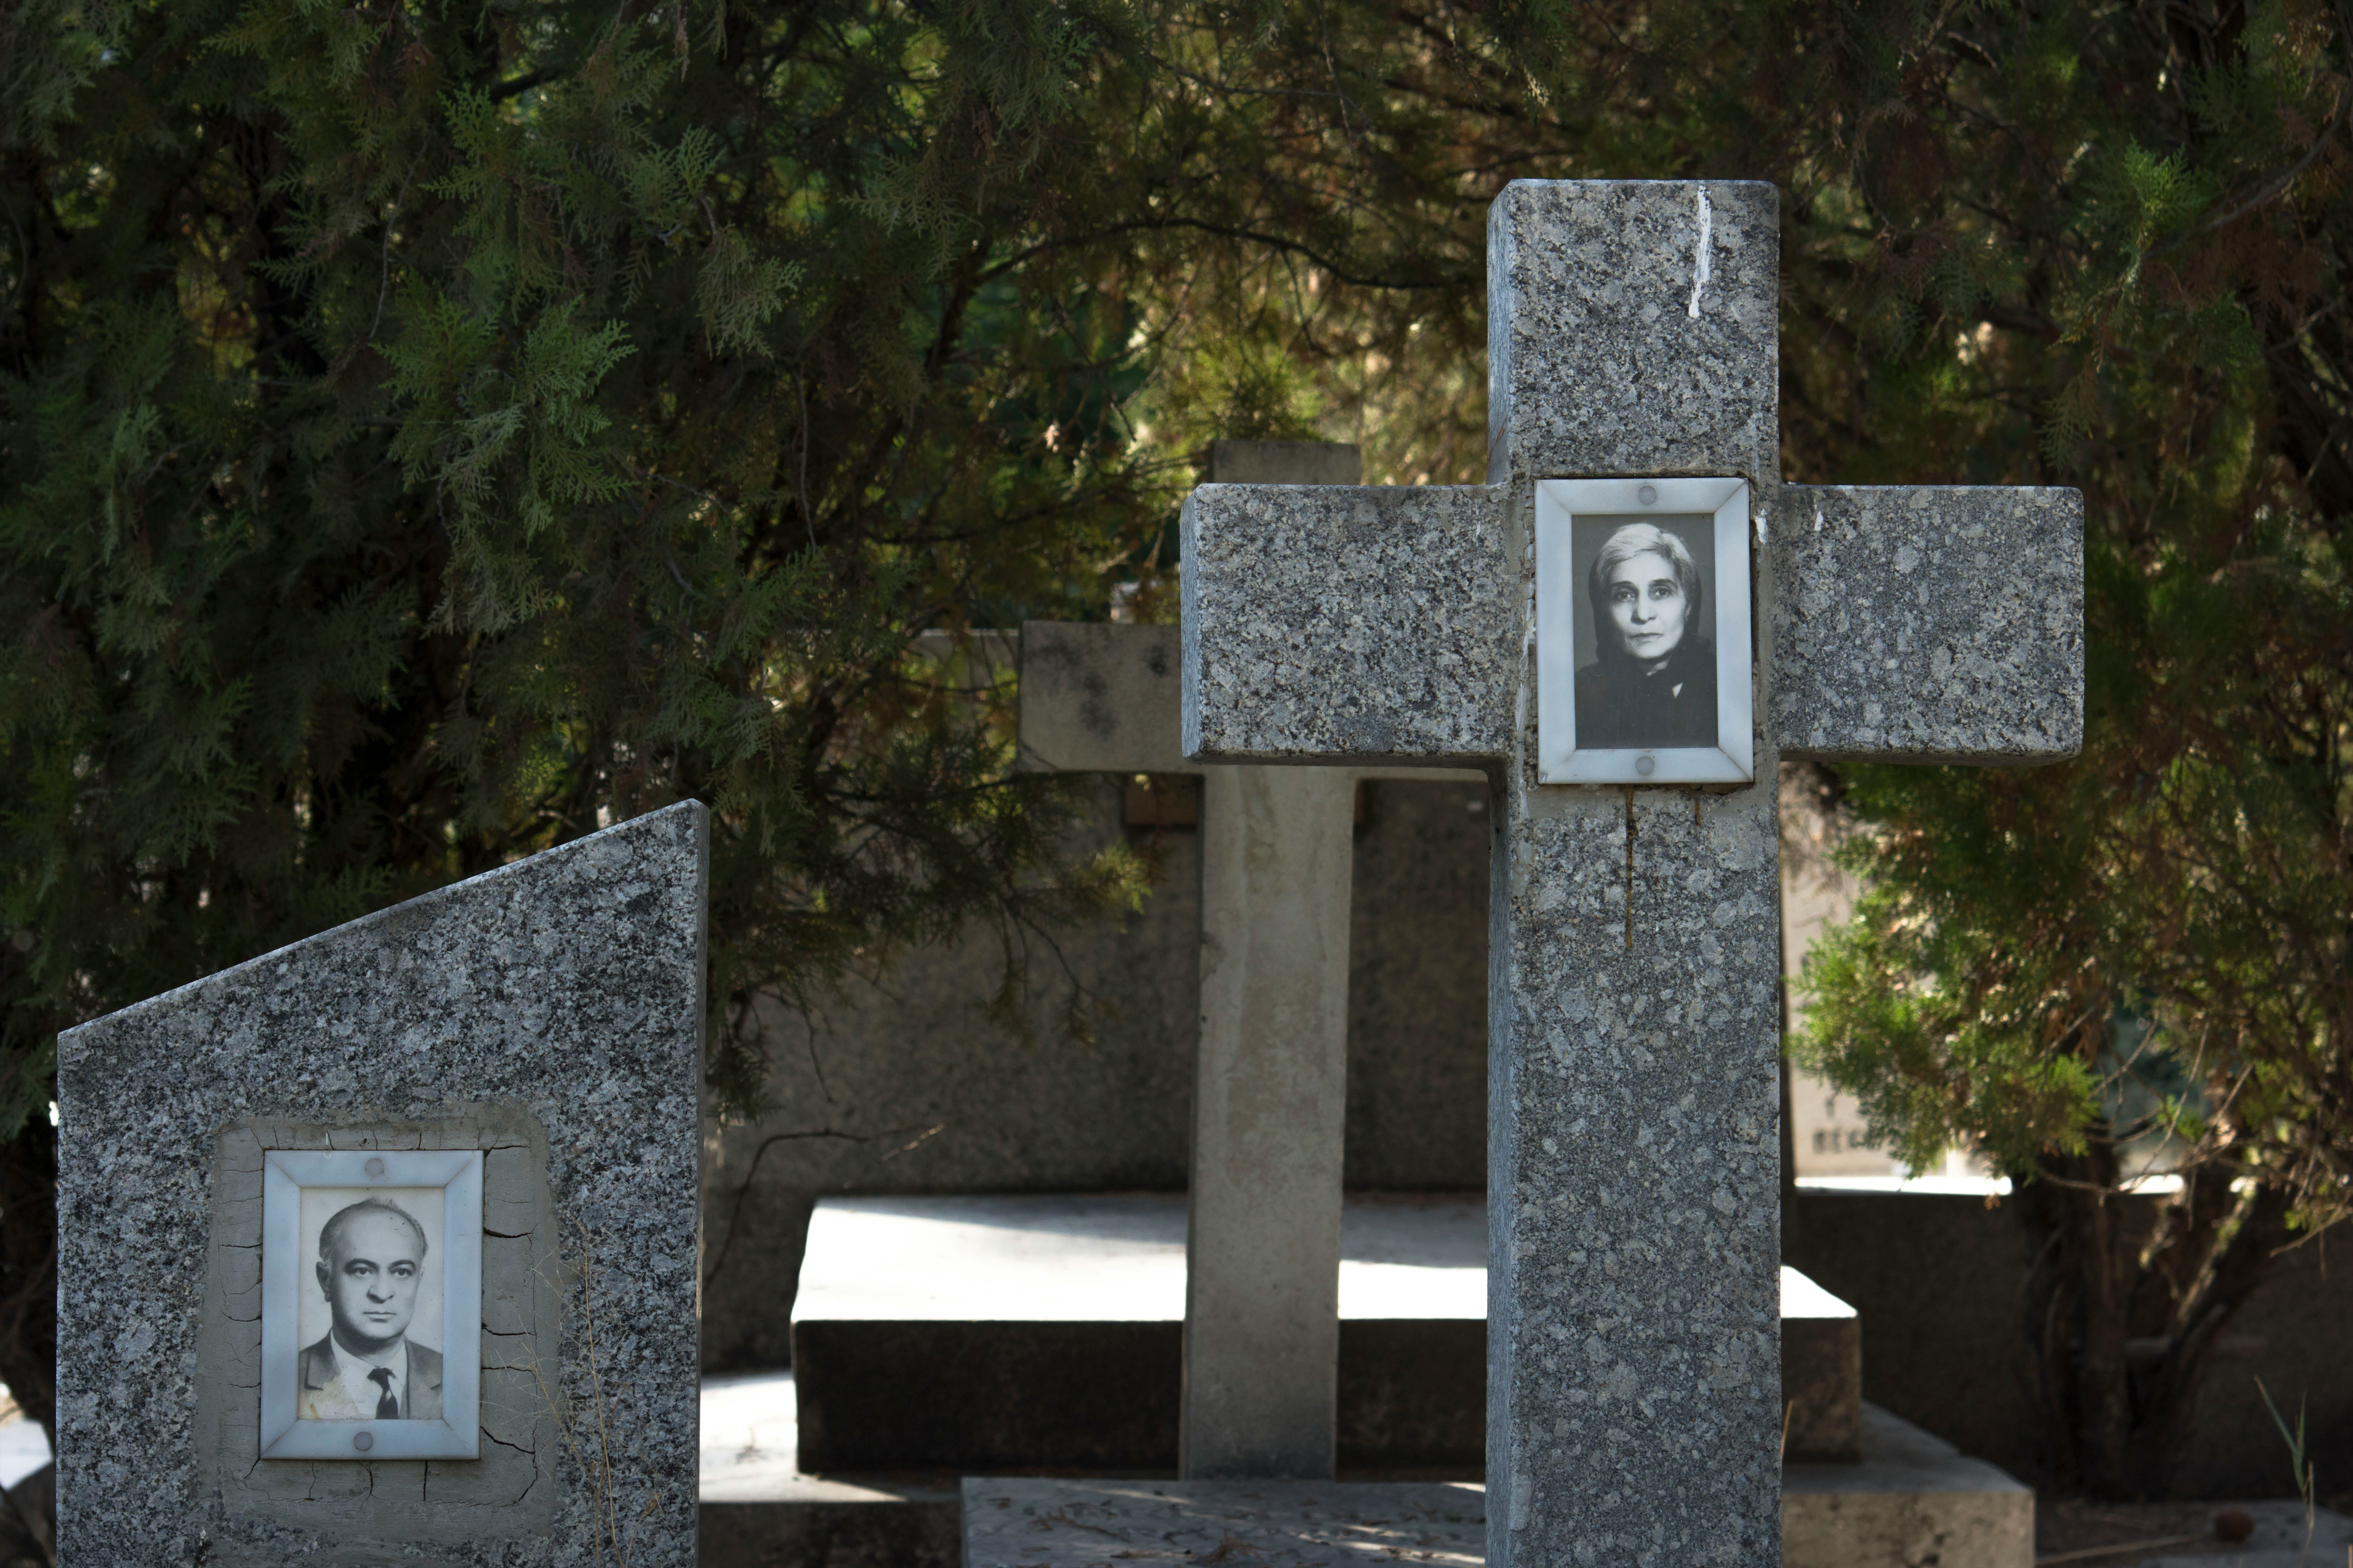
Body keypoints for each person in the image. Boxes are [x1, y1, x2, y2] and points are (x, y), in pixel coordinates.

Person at [297, 1196, 444, 1422]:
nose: (382, 1293)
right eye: (362, 1271)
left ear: (418, 1280)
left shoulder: (456, 1376)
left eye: (401, 1272)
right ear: (326, 1281)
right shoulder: (284, 1380)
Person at [1573, 521, 1717, 748]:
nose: (1642, 614)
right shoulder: (1578, 694)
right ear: (1603, 611)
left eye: (1661, 592)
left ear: (1688, 604)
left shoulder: (1725, 687)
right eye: (1624, 595)